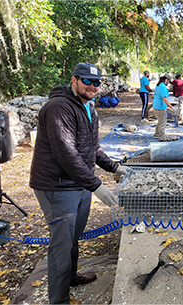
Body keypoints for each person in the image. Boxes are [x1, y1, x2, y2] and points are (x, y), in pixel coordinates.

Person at [29, 62, 129, 304]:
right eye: (87, 81)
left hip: (79, 183)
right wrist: (96, 185)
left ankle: (71, 277)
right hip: (57, 185)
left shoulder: (89, 107)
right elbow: (66, 153)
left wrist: (114, 167)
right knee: (61, 245)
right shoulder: (58, 107)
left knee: (74, 235)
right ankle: (59, 300)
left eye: (97, 83)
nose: (93, 86)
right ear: (74, 80)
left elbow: (92, 148)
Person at [153, 75, 176, 141]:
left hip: (156, 105)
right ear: (166, 79)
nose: (168, 83)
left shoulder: (159, 85)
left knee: (160, 121)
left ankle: (157, 133)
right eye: (168, 81)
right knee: (163, 122)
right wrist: (171, 106)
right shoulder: (163, 87)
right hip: (160, 107)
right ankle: (162, 137)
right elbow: (164, 98)